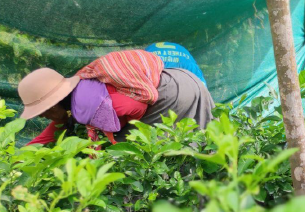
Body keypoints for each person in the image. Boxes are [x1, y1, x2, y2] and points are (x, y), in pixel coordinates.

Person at [19, 49, 214, 146]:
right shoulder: (83, 86)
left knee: (132, 154)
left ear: (53, 106)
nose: (44, 118)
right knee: (205, 145)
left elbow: (129, 109)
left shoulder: (87, 105)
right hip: (184, 79)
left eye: (43, 114)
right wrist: (19, 157)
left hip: (170, 95)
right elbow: (55, 129)